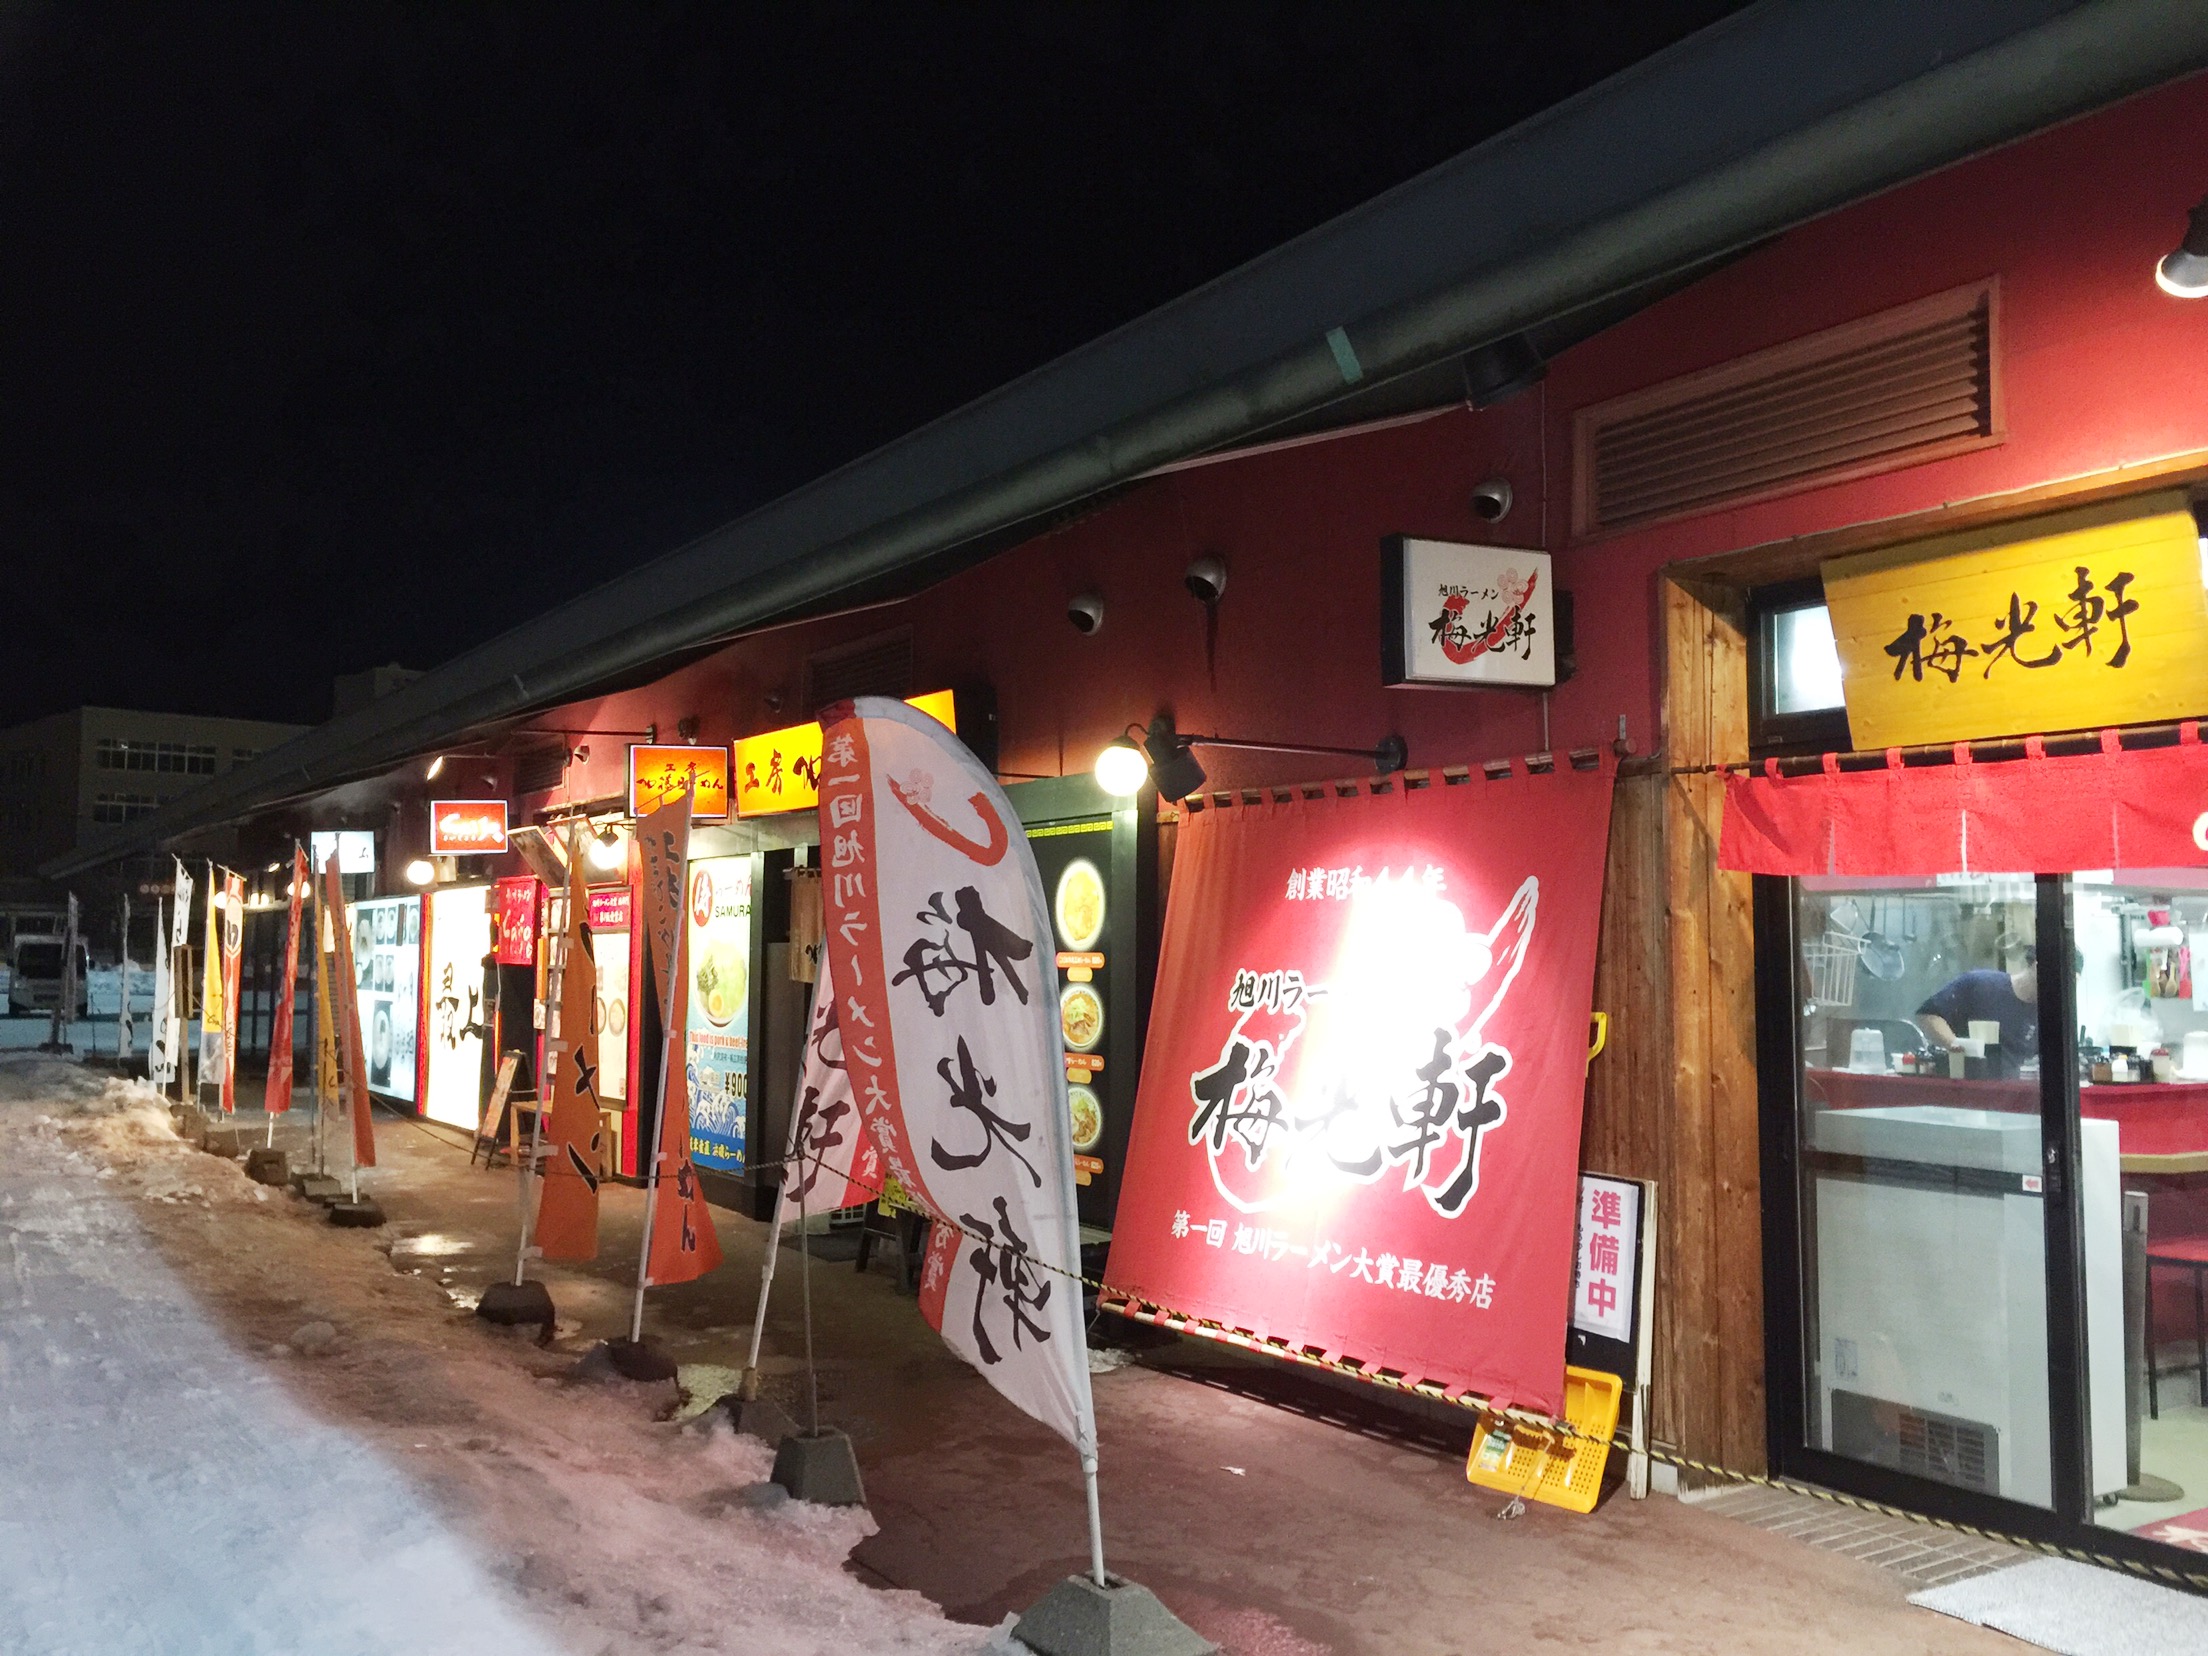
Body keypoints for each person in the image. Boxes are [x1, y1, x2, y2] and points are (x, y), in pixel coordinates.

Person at [1916, 947, 2038, 1074]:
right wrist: (1956, 1047)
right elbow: (1928, 1015)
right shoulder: (1981, 984)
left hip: (2012, 1090)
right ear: (2036, 966)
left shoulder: (2049, 1014)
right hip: (1964, 1086)